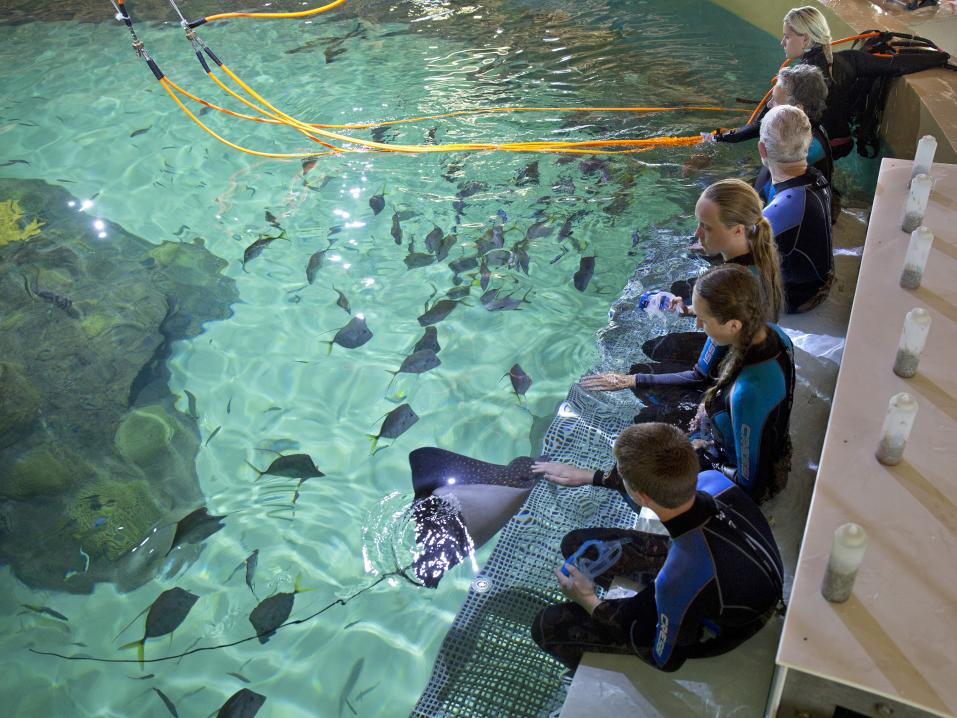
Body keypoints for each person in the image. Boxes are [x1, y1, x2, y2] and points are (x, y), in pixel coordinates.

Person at [530, 422, 784, 672]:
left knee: (547, 626)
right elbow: (654, 487)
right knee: (579, 546)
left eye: (621, 474)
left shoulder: (676, 579)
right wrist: (592, 477)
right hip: (735, 568)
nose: (617, 475)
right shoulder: (713, 480)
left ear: (641, 496)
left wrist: (589, 600)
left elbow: (665, 659)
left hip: (724, 624)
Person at [555, 263, 795, 503]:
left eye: (702, 319)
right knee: (649, 387)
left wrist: (701, 453)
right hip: (723, 431)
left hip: (735, 472)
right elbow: (698, 374)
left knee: (643, 450)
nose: (697, 325)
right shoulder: (770, 332)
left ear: (733, 325)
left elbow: (750, 483)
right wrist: (631, 381)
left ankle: (596, 478)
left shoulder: (748, 393)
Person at [584, 180, 785, 427]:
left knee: (642, 386)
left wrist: (630, 380)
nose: (697, 234)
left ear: (738, 230)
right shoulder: (756, 258)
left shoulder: (738, 283)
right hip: (735, 341)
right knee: (659, 343)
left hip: (727, 369)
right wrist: (689, 310)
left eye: (706, 227)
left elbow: (699, 376)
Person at [779, 5, 949, 159]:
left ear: (806, 40)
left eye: (787, 37)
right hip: (842, 143)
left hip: (816, 146)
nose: (783, 42)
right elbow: (896, 65)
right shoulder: (849, 59)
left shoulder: (799, 77)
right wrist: (940, 57)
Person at [710, 64, 832, 202]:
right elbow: (756, 128)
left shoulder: (802, 148)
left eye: (775, 101)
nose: (769, 105)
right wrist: (716, 137)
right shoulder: (798, 127)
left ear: (797, 109)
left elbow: (764, 196)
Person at [760, 104, 833, 312]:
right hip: (818, 283)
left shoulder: (785, 205)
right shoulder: (816, 177)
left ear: (762, 149)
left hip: (796, 299)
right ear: (808, 143)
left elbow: (737, 247)